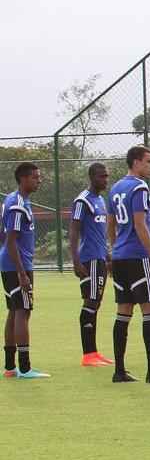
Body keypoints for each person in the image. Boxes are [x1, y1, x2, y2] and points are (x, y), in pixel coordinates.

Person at [108, 145, 150, 383]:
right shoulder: (140, 187)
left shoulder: (115, 187)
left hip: (119, 257)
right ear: (136, 162)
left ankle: (119, 371)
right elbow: (140, 225)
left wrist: (115, 249)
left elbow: (111, 224)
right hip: (137, 257)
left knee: (123, 311)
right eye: (149, 161)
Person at [1, 162, 49, 379]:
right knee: (23, 311)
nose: (39, 180)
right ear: (23, 178)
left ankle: (10, 367)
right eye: (35, 177)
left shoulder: (15, 201)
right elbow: (11, 241)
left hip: (11, 263)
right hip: (17, 265)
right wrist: (22, 273)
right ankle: (25, 367)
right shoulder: (17, 204)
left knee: (14, 310)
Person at [70, 162, 114, 367]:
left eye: (106, 176)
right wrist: (76, 261)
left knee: (95, 302)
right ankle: (88, 354)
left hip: (100, 258)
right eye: (101, 176)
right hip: (89, 259)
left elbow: (100, 233)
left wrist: (108, 256)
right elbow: (74, 231)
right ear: (91, 177)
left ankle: (93, 352)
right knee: (90, 301)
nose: (105, 180)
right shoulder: (82, 201)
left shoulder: (100, 200)